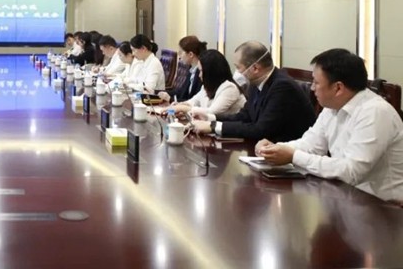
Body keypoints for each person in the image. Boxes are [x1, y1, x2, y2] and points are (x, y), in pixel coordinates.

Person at [256, 49, 403, 203]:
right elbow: (312, 145)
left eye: (316, 82)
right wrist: (274, 149)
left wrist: (293, 156)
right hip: (348, 197)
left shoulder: (375, 112)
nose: (312, 88)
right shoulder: (332, 106)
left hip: (383, 206)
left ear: (338, 88)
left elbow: (351, 172)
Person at [190, 41, 315, 141]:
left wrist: (213, 126)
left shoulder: (282, 86)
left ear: (255, 68)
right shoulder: (256, 82)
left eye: (238, 67)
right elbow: (245, 116)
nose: (237, 73)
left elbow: (261, 130)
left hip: (285, 153)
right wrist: (210, 118)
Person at [167, 49, 245, 117]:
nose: (199, 75)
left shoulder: (230, 88)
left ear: (210, 72)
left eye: (201, 71)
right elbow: (192, 102)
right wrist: (179, 105)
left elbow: (211, 112)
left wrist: (184, 108)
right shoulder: (206, 87)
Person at [159, 35, 206, 102]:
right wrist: (156, 92)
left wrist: (170, 99)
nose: (179, 57)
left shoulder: (201, 74)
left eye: (181, 53)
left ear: (190, 54)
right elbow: (181, 92)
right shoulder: (191, 70)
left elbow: (193, 101)